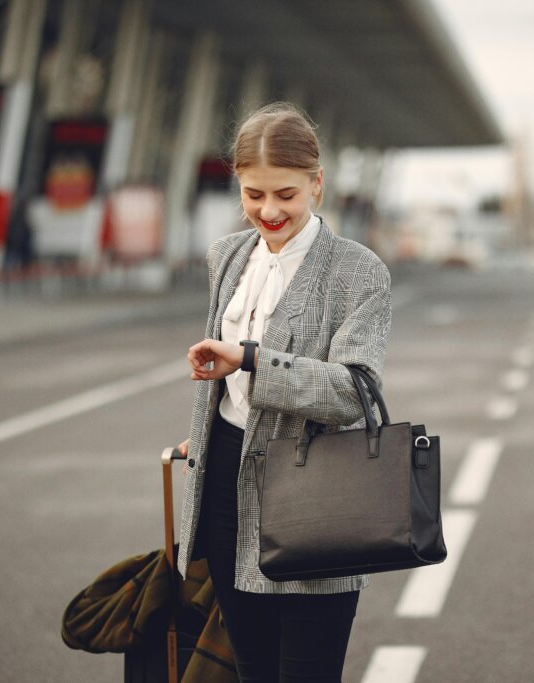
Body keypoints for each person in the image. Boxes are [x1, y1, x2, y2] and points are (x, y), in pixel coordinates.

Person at [177, 102, 392, 682]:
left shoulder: (357, 272)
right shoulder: (226, 257)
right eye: (253, 194)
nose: (268, 211)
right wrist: (201, 435)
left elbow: (355, 391)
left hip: (315, 496)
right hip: (226, 487)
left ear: (317, 184)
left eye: (286, 195)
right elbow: (225, 393)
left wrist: (249, 359)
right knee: (251, 671)